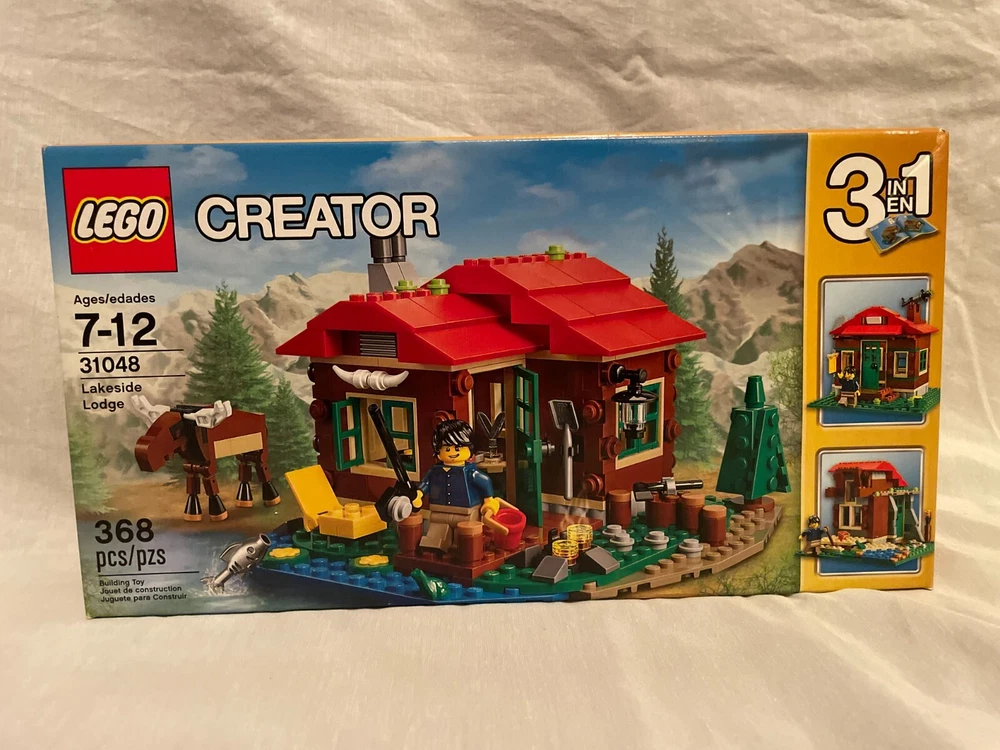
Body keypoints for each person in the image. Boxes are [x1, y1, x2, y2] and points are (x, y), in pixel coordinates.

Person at [415, 419, 500, 553]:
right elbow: (426, 483)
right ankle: (436, 550)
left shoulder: (470, 472)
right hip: (439, 512)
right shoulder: (435, 472)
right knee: (435, 538)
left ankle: (461, 551)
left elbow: (485, 481)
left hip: (467, 512)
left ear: (469, 448)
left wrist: (489, 500)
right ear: (438, 450)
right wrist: (419, 494)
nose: (452, 452)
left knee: (464, 541)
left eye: (458, 448)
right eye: (447, 448)